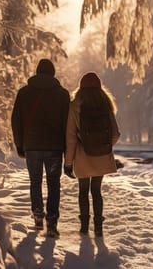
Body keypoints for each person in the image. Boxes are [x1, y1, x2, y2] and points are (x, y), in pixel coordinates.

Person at [11, 59, 70, 238]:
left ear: (37, 72)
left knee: (35, 182)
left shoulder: (23, 93)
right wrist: (68, 149)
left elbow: (16, 121)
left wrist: (20, 145)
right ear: (53, 74)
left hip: (32, 147)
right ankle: (51, 223)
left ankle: (38, 215)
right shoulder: (62, 95)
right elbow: (67, 124)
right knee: (54, 184)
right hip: (54, 148)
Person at [64, 72, 120, 237]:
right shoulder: (105, 105)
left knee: (83, 191)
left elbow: (71, 137)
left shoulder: (74, 106)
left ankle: (84, 226)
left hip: (82, 156)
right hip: (101, 156)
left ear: (80, 88)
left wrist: (68, 162)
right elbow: (115, 134)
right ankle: (98, 227)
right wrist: (103, 146)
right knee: (96, 191)